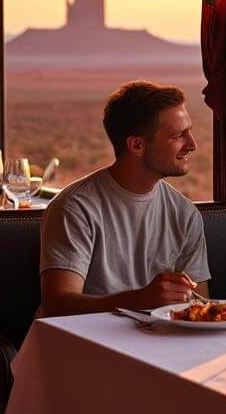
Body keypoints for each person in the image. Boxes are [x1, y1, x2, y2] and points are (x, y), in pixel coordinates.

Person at [40, 80, 210, 316]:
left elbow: (199, 308)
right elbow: (57, 305)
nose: (192, 144)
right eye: (179, 135)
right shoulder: (75, 207)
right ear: (137, 145)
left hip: (158, 344)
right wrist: (139, 299)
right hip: (84, 344)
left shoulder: (185, 213)